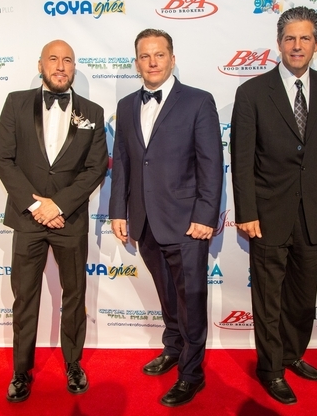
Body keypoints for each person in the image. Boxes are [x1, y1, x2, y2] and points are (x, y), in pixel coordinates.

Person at [230, 6, 317, 405]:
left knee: (302, 294)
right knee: (268, 298)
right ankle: (271, 368)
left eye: (305, 38)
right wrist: (246, 211)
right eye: (290, 38)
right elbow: (242, 159)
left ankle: (293, 354)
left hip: (312, 212)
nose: (297, 46)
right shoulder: (251, 92)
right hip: (267, 215)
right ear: (279, 43)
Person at [109, 29, 223, 407]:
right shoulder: (127, 105)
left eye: (159, 54)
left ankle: (192, 374)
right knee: (167, 295)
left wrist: (205, 215)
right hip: (145, 221)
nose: (153, 62)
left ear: (173, 59)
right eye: (145, 56)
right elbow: (123, 162)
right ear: (136, 62)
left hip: (188, 223)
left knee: (191, 300)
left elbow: (211, 164)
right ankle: (173, 348)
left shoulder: (198, 101)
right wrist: (118, 211)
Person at [0, 40, 109, 403]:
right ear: (40, 64)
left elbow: (95, 168)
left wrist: (57, 205)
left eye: (67, 60)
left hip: (69, 220)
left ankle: (73, 363)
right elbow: (3, 158)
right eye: (53, 59)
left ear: (74, 67)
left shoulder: (93, 111)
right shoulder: (15, 103)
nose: (60, 66)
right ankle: (21, 370)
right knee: (25, 297)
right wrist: (35, 206)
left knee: (74, 295)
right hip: (27, 220)